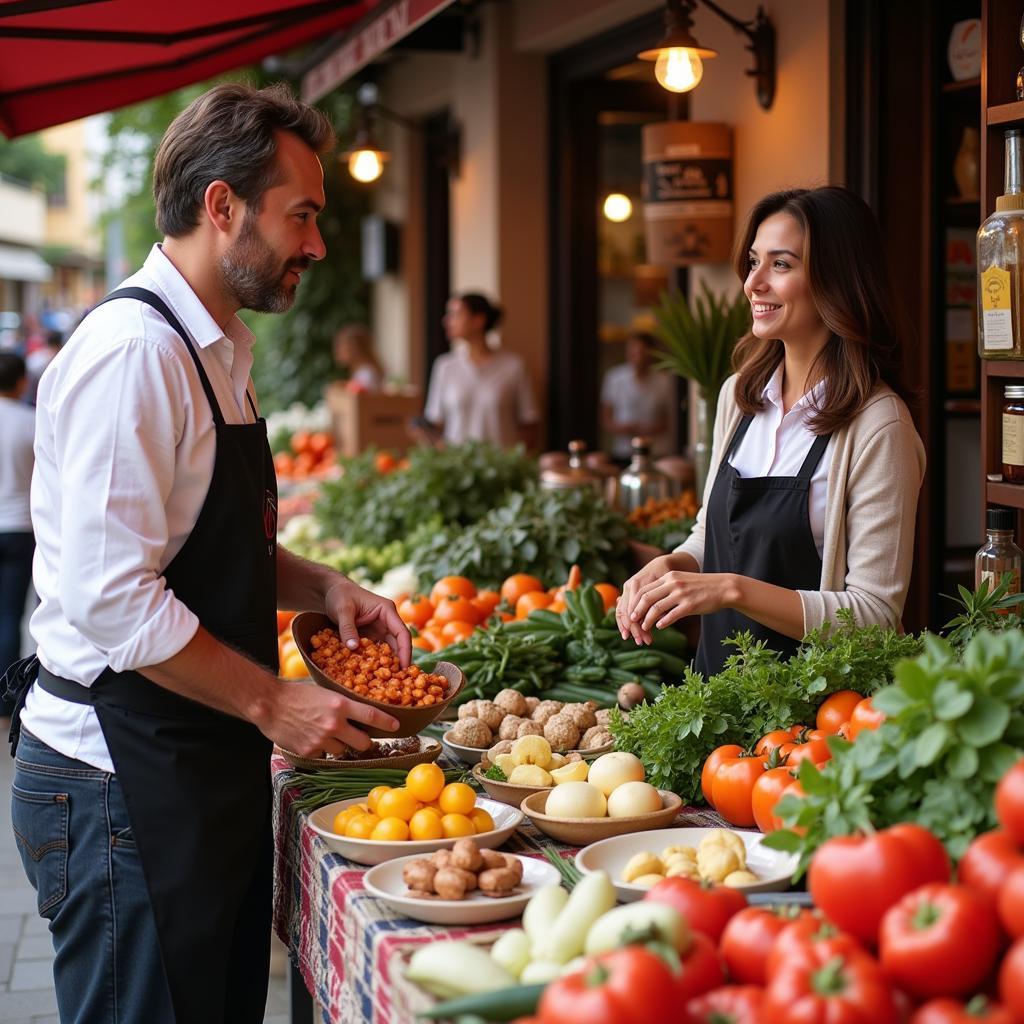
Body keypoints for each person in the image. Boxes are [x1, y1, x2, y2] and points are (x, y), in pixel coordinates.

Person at [8, 83, 410, 1024]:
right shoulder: (137, 355)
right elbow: (113, 599)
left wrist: (323, 585)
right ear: (221, 205)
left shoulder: (218, 347)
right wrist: (275, 704)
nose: (316, 243)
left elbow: (199, 549)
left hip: (187, 761)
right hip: (118, 787)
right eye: (301, 215)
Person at [617, 186, 925, 678]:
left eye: (781, 265)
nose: (752, 283)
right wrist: (677, 564)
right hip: (716, 701)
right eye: (754, 261)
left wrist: (731, 590)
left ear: (837, 281)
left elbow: (875, 617)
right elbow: (714, 535)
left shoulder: (877, 425)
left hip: (817, 723)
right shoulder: (737, 396)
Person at [422, 292, 540, 447]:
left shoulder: (513, 366)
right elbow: (436, 421)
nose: (447, 320)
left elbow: (529, 421)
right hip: (457, 465)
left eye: (455, 314)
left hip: (501, 466)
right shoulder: (445, 366)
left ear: (479, 320)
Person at [0, 352, 35, 716]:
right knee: (10, 615)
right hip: (21, 527)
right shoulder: (32, 421)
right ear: (22, 381)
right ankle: (4, 701)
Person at [600, 330, 677, 460]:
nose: (637, 356)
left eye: (642, 352)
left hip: (656, 450)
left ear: (651, 353)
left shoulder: (664, 381)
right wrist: (624, 428)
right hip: (623, 450)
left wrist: (649, 430)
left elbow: (671, 418)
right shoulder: (614, 378)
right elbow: (606, 418)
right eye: (633, 351)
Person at [333, 322, 384, 391]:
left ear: (355, 349)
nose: (337, 351)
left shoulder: (367, 374)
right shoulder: (362, 372)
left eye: (342, 347)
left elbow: (361, 396)